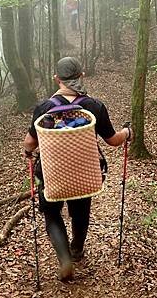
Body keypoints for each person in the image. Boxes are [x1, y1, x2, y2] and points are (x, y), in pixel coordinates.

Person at [23, 57, 131, 281]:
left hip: (51, 173)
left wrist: (28, 155)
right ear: (81, 76)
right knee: (81, 210)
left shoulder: (44, 108)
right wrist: (128, 133)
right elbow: (113, 140)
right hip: (84, 172)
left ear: (57, 79)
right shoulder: (94, 106)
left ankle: (64, 260)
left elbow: (29, 144)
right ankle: (77, 249)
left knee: (51, 213)